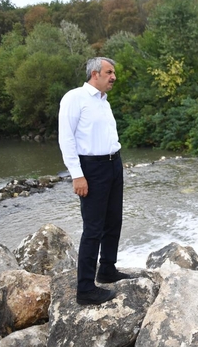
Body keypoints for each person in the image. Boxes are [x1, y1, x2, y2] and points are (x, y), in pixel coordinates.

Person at [58, 57, 130, 305]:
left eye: (114, 73)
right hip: (92, 168)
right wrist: (77, 174)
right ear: (95, 74)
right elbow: (66, 139)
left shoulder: (103, 101)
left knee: (114, 220)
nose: (114, 77)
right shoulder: (74, 98)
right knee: (93, 229)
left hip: (113, 164)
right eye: (110, 72)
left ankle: (107, 269)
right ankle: (86, 289)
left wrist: (116, 165)